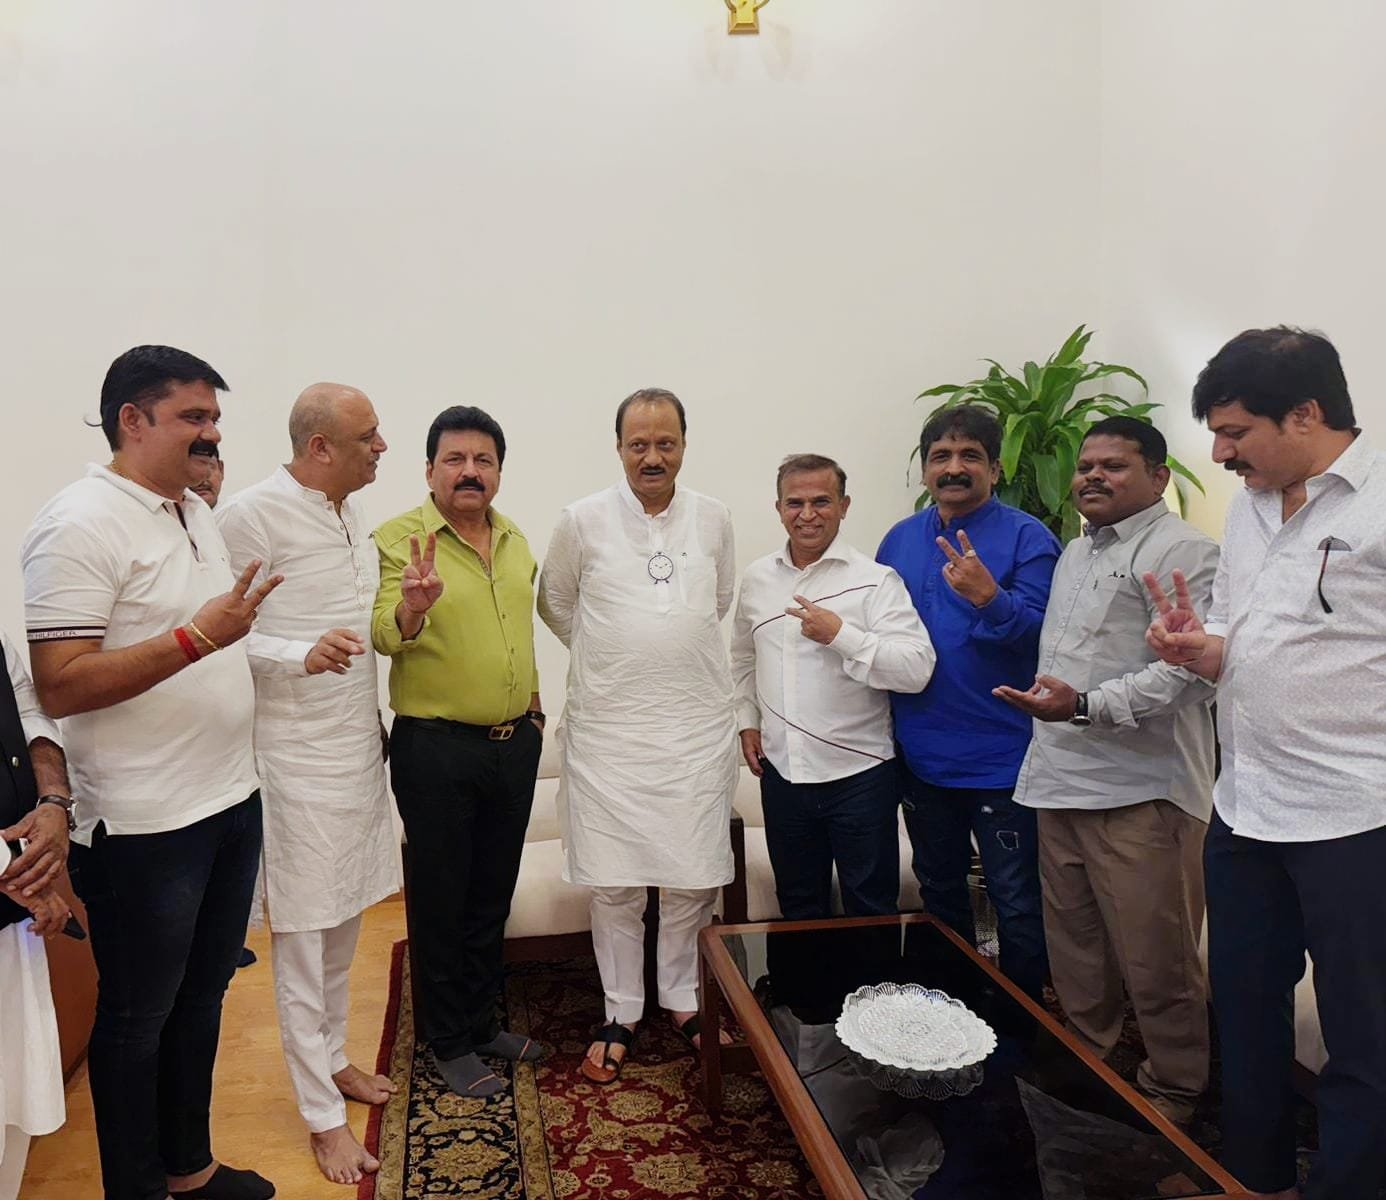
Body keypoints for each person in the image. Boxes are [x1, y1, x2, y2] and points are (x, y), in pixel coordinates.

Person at [23, 344, 281, 1200]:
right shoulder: (78, 523)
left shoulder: (190, 510)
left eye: (215, 418)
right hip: (144, 824)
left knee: (203, 997)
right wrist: (197, 638)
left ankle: (189, 1169)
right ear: (131, 419)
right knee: (138, 1019)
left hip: (228, 799)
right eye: (193, 417)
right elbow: (61, 682)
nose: (212, 435)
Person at [1145, 327, 1386, 1200]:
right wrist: (1203, 648)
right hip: (1245, 804)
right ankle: (1253, 1182)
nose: (1220, 453)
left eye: (1235, 432)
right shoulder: (1250, 504)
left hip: (1355, 815)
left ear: (1307, 414)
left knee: (1365, 1034)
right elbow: (1243, 634)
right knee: (1243, 1009)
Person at [994, 416, 1217, 1126]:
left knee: (1158, 961)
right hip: (1060, 781)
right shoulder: (1073, 552)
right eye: (1086, 465)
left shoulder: (1184, 549)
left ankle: (1174, 1090)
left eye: (1114, 465)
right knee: (1077, 953)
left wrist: (1086, 706)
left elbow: (1189, 674)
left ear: (1158, 476)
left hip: (1139, 792)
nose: (1092, 475)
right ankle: (1088, 1065)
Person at [216, 384, 400, 1184]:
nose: (382, 447)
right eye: (368, 436)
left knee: (345, 921)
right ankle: (322, 1120)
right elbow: (218, 635)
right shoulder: (250, 517)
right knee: (302, 936)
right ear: (320, 447)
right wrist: (298, 654)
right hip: (291, 762)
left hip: (356, 750)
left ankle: (332, 1059)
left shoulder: (351, 513)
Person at [538, 387, 737, 1083]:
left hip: (692, 728)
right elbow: (555, 602)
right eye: (639, 444)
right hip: (610, 733)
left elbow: (717, 601)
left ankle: (681, 996)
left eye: (665, 443)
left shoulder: (714, 518)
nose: (653, 457)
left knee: (689, 879)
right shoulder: (581, 520)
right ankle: (621, 1009)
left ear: (684, 445)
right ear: (619, 448)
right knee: (615, 883)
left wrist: (661, 646)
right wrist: (614, 654)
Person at [372, 405, 546, 1100]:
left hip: (513, 745)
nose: (470, 471)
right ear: (430, 470)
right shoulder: (399, 540)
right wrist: (413, 607)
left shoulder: (515, 540)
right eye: (455, 459)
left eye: (483, 460)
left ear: (498, 471)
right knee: (442, 900)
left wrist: (533, 709)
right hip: (437, 749)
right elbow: (384, 632)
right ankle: (446, 1041)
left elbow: (519, 634)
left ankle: (480, 1023)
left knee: (490, 896)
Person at [877, 405, 1061, 998]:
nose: (954, 468)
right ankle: (950, 1012)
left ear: (996, 469)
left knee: (1016, 900)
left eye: (970, 456)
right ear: (925, 469)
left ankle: (1022, 1022)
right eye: (941, 456)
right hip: (922, 757)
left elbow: (1050, 640)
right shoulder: (899, 540)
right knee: (939, 893)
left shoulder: (1029, 538)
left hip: (1003, 760)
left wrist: (990, 598)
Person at [731, 454, 935, 919]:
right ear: (778, 509)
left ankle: (871, 974)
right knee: (798, 908)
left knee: (870, 908)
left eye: (821, 501)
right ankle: (807, 975)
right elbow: (742, 658)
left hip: (860, 775)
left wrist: (841, 635)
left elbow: (916, 668)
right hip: (783, 774)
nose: (807, 514)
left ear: (844, 506)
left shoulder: (875, 581)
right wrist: (747, 721)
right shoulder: (758, 579)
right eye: (795, 503)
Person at [0, 630, 73, 1200]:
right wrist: (15, 874)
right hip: (16, 887)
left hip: (12, 915)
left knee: (13, 1102)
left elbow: (27, 707)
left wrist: (52, 800)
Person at [190, 444, 225, 508]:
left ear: (221, 469)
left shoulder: (236, 511)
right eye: (191, 471)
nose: (201, 481)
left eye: (208, 468)